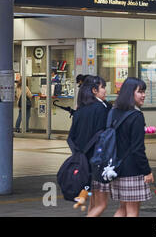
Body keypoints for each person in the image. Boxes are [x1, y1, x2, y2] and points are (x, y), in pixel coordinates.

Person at [110, 77, 154, 217]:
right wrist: (147, 171)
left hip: (116, 167)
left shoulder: (113, 112)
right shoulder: (136, 116)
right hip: (132, 170)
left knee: (122, 209)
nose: (144, 95)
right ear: (130, 93)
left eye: (144, 91)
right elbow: (137, 149)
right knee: (132, 212)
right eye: (140, 92)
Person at [67, 75, 110, 217]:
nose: (105, 90)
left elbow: (71, 137)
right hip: (97, 162)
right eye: (103, 87)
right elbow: (104, 135)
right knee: (101, 204)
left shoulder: (80, 110)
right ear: (94, 90)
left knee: (93, 199)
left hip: (83, 162)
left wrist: (79, 154)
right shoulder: (101, 109)